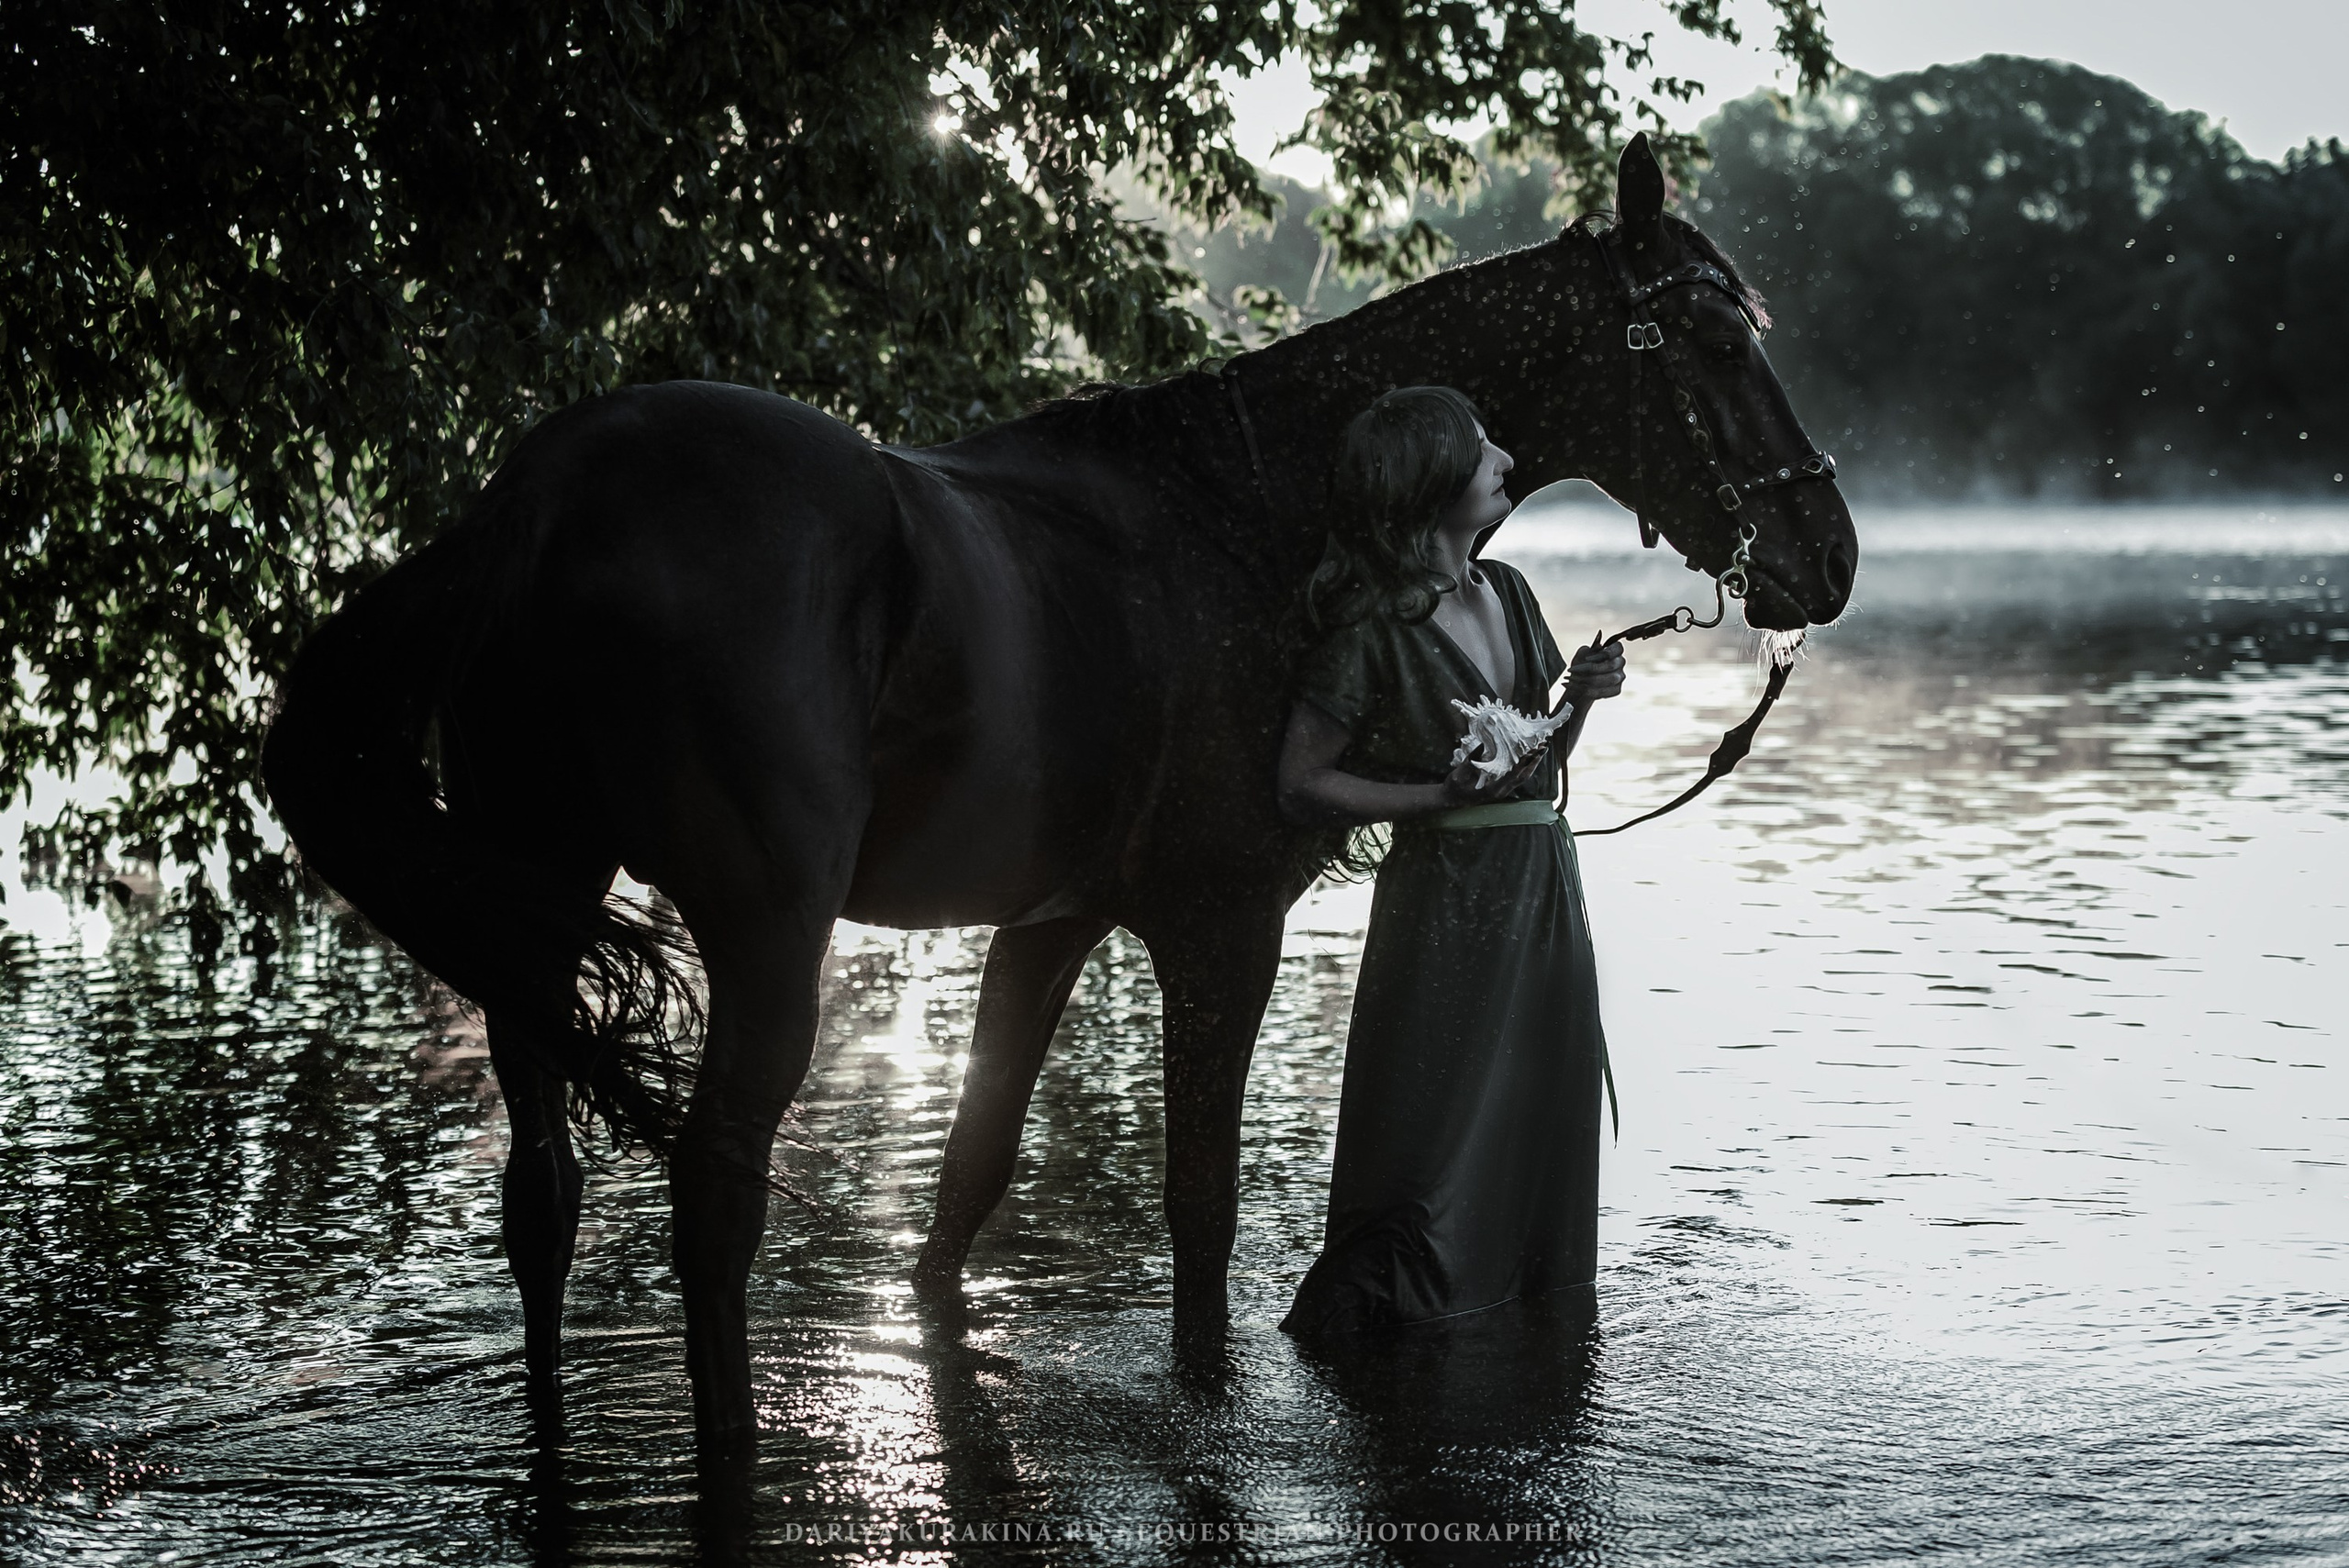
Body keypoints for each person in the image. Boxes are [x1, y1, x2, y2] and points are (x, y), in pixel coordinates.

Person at [1275, 384, 1627, 1337]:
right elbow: (1301, 782)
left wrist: (1583, 697)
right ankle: (1399, 1330)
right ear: (1431, 479)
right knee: (1433, 1123)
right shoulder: (1371, 624)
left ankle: (1522, 1313)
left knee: (1535, 1116)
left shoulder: (1508, 589)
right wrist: (1437, 798)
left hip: (1543, 887)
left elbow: (1536, 756)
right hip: (1445, 895)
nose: (1506, 460)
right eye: (1481, 449)